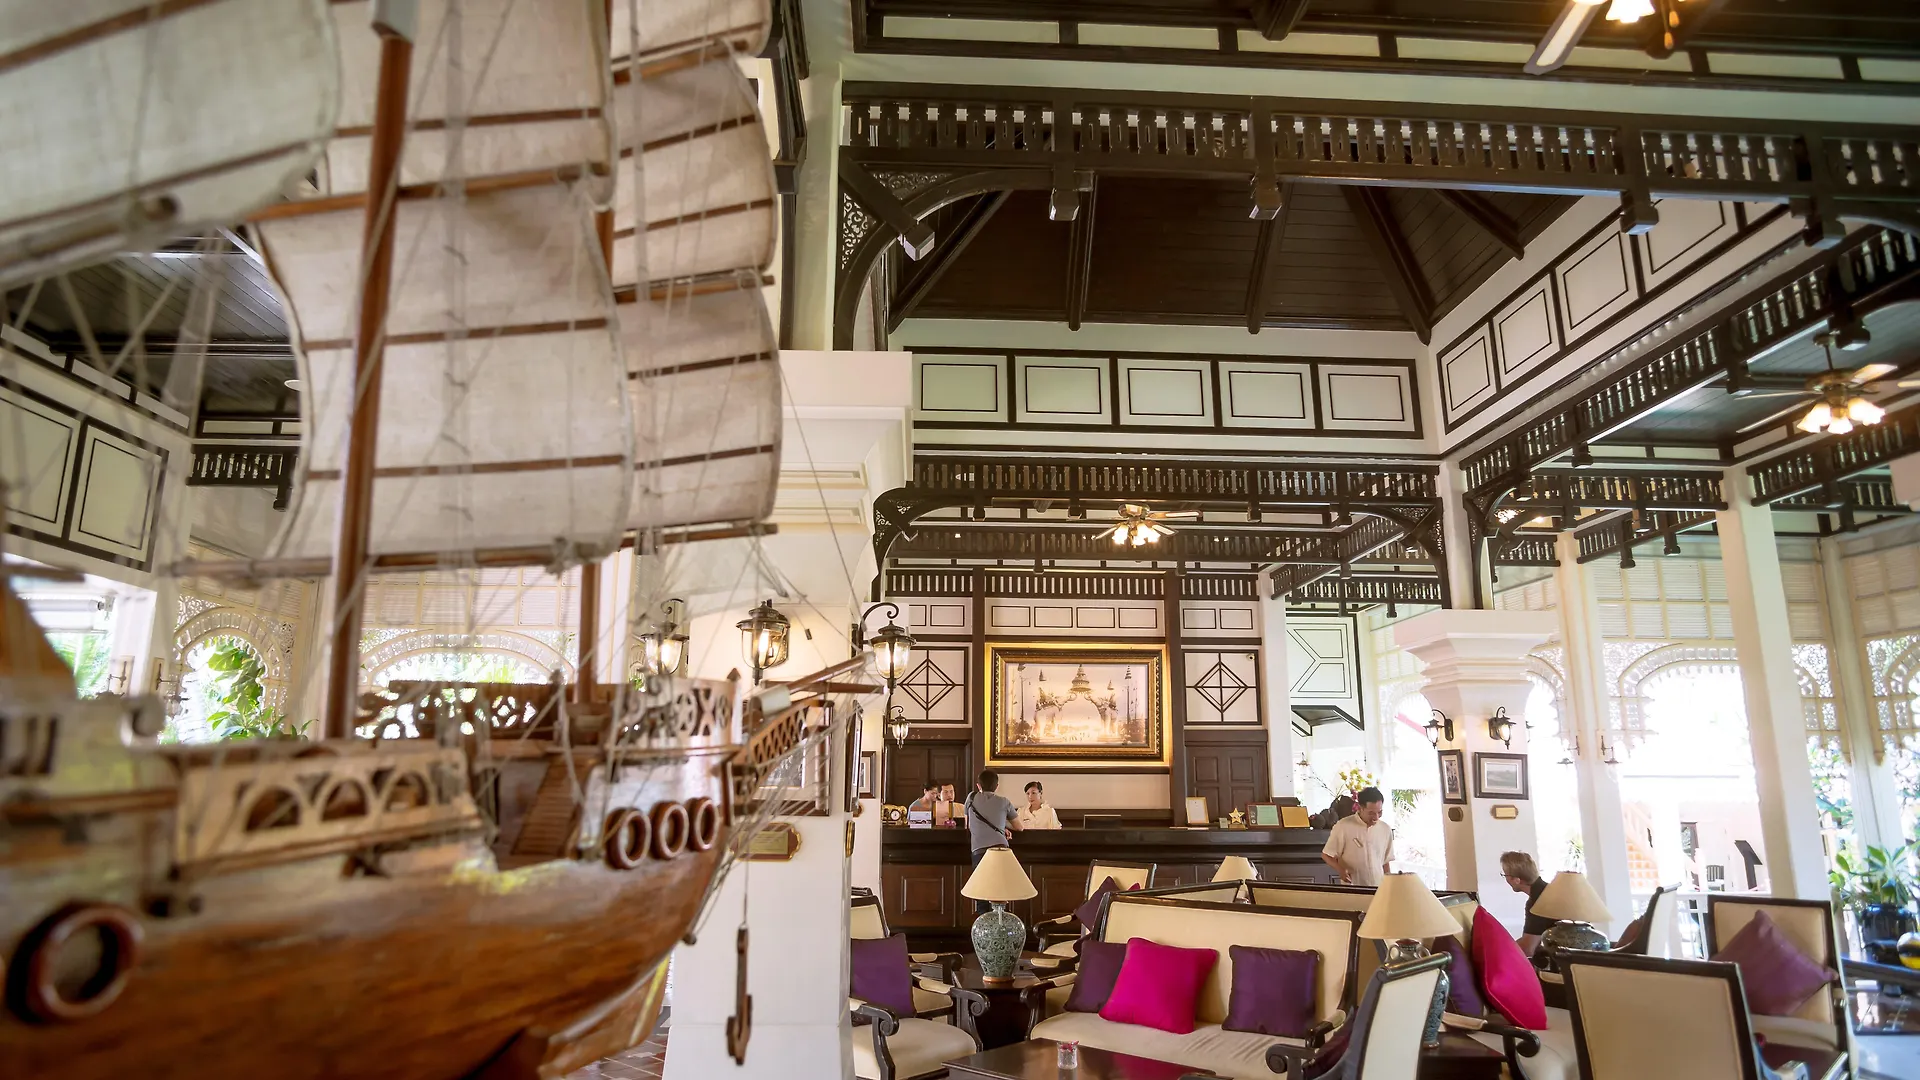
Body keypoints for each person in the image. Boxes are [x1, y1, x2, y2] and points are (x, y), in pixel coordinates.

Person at [964, 769, 1023, 913]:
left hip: (979, 850)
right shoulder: (1004, 802)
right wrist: (1002, 827)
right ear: (997, 786)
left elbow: (968, 825)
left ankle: (983, 924)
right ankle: (1000, 921)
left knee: (981, 892)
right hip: (1001, 849)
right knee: (1000, 892)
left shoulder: (970, 799)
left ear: (978, 785)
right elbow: (1019, 827)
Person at [1320, 787, 1393, 887]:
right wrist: (1341, 870)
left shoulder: (1385, 829)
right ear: (1360, 807)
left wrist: (1389, 886)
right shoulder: (1343, 826)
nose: (1376, 817)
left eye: (1379, 812)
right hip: (1353, 887)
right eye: (1371, 813)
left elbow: (1386, 862)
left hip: (1379, 888)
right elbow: (1326, 855)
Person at [1503, 851, 1553, 955]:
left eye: (1505, 875)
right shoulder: (1547, 890)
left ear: (1516, 880)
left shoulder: (1537, 901)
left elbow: (1528, 948)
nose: (1506, 879)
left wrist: (1500, 951)